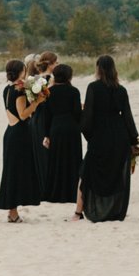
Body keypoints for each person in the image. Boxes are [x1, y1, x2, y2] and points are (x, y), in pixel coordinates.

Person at [79, 54, 138, 222]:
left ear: (99, 69)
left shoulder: (93, 88)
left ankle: (95, 210)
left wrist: (89, 136)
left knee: (95, 171)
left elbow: (88, 116)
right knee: (115, 172)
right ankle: (115, 210)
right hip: (119, 134)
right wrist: (134, 140)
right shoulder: (121, 90)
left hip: (99, 134)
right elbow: (128, 116)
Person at [0, 58, 44, 220]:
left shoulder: (7, 89)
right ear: (21, 72)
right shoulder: (19, 91)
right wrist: (37, 102)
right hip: (20, 134)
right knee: (16, 172)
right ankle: (12, 211)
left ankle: (12, 210)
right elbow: (23, 115)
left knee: (12, 172)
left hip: (10, 132)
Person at [41, 61, 86, 214]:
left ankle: (55, 192)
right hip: (71, 127)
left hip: (55, 127)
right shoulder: (74, 92)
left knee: (56, 159)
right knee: (73, 159)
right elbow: (76, 112)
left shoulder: (49, 91)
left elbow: (47, 115)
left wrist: (46, 134)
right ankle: (71, 192)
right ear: (69, 76)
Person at [27, 51, 60, 197]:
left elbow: (30, 102)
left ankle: (40, 187)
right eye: (56, 62)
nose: (58, 65)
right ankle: (49, 188)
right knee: (49, 153)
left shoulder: (31, 80)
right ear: (50, 64)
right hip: (48, 118)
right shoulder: (52, 80)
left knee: (38, 154)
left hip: (35, 118)